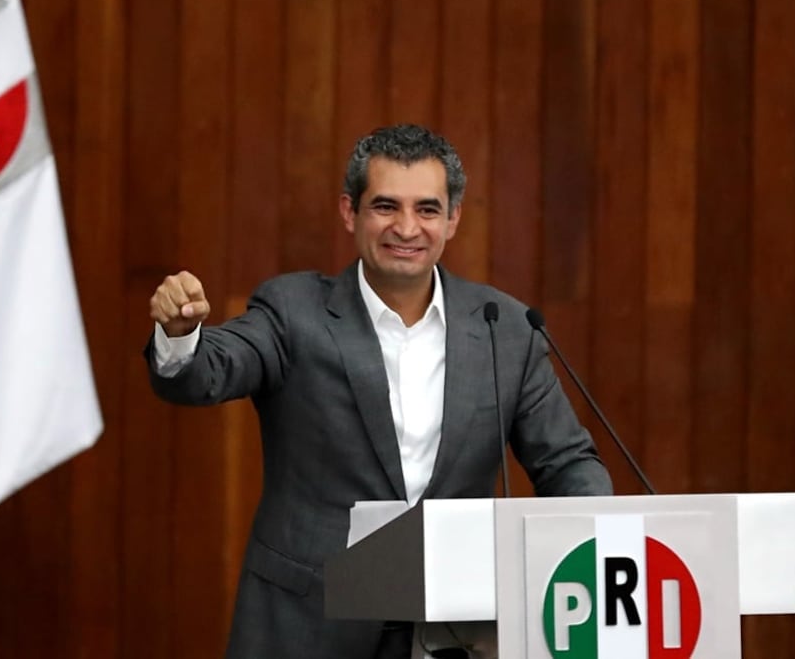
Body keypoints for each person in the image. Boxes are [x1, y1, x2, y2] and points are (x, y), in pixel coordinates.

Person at [146, 124, 612, 659]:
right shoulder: (292, 311)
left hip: (454, 629)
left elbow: (567, 463)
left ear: (453, 218)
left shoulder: (503, 327)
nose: (407, 228)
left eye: (428, 209)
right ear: (351, 212)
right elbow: (209, 371)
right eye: (386, 206)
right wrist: (181, 336)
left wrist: (599, 546)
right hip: (309, 627)